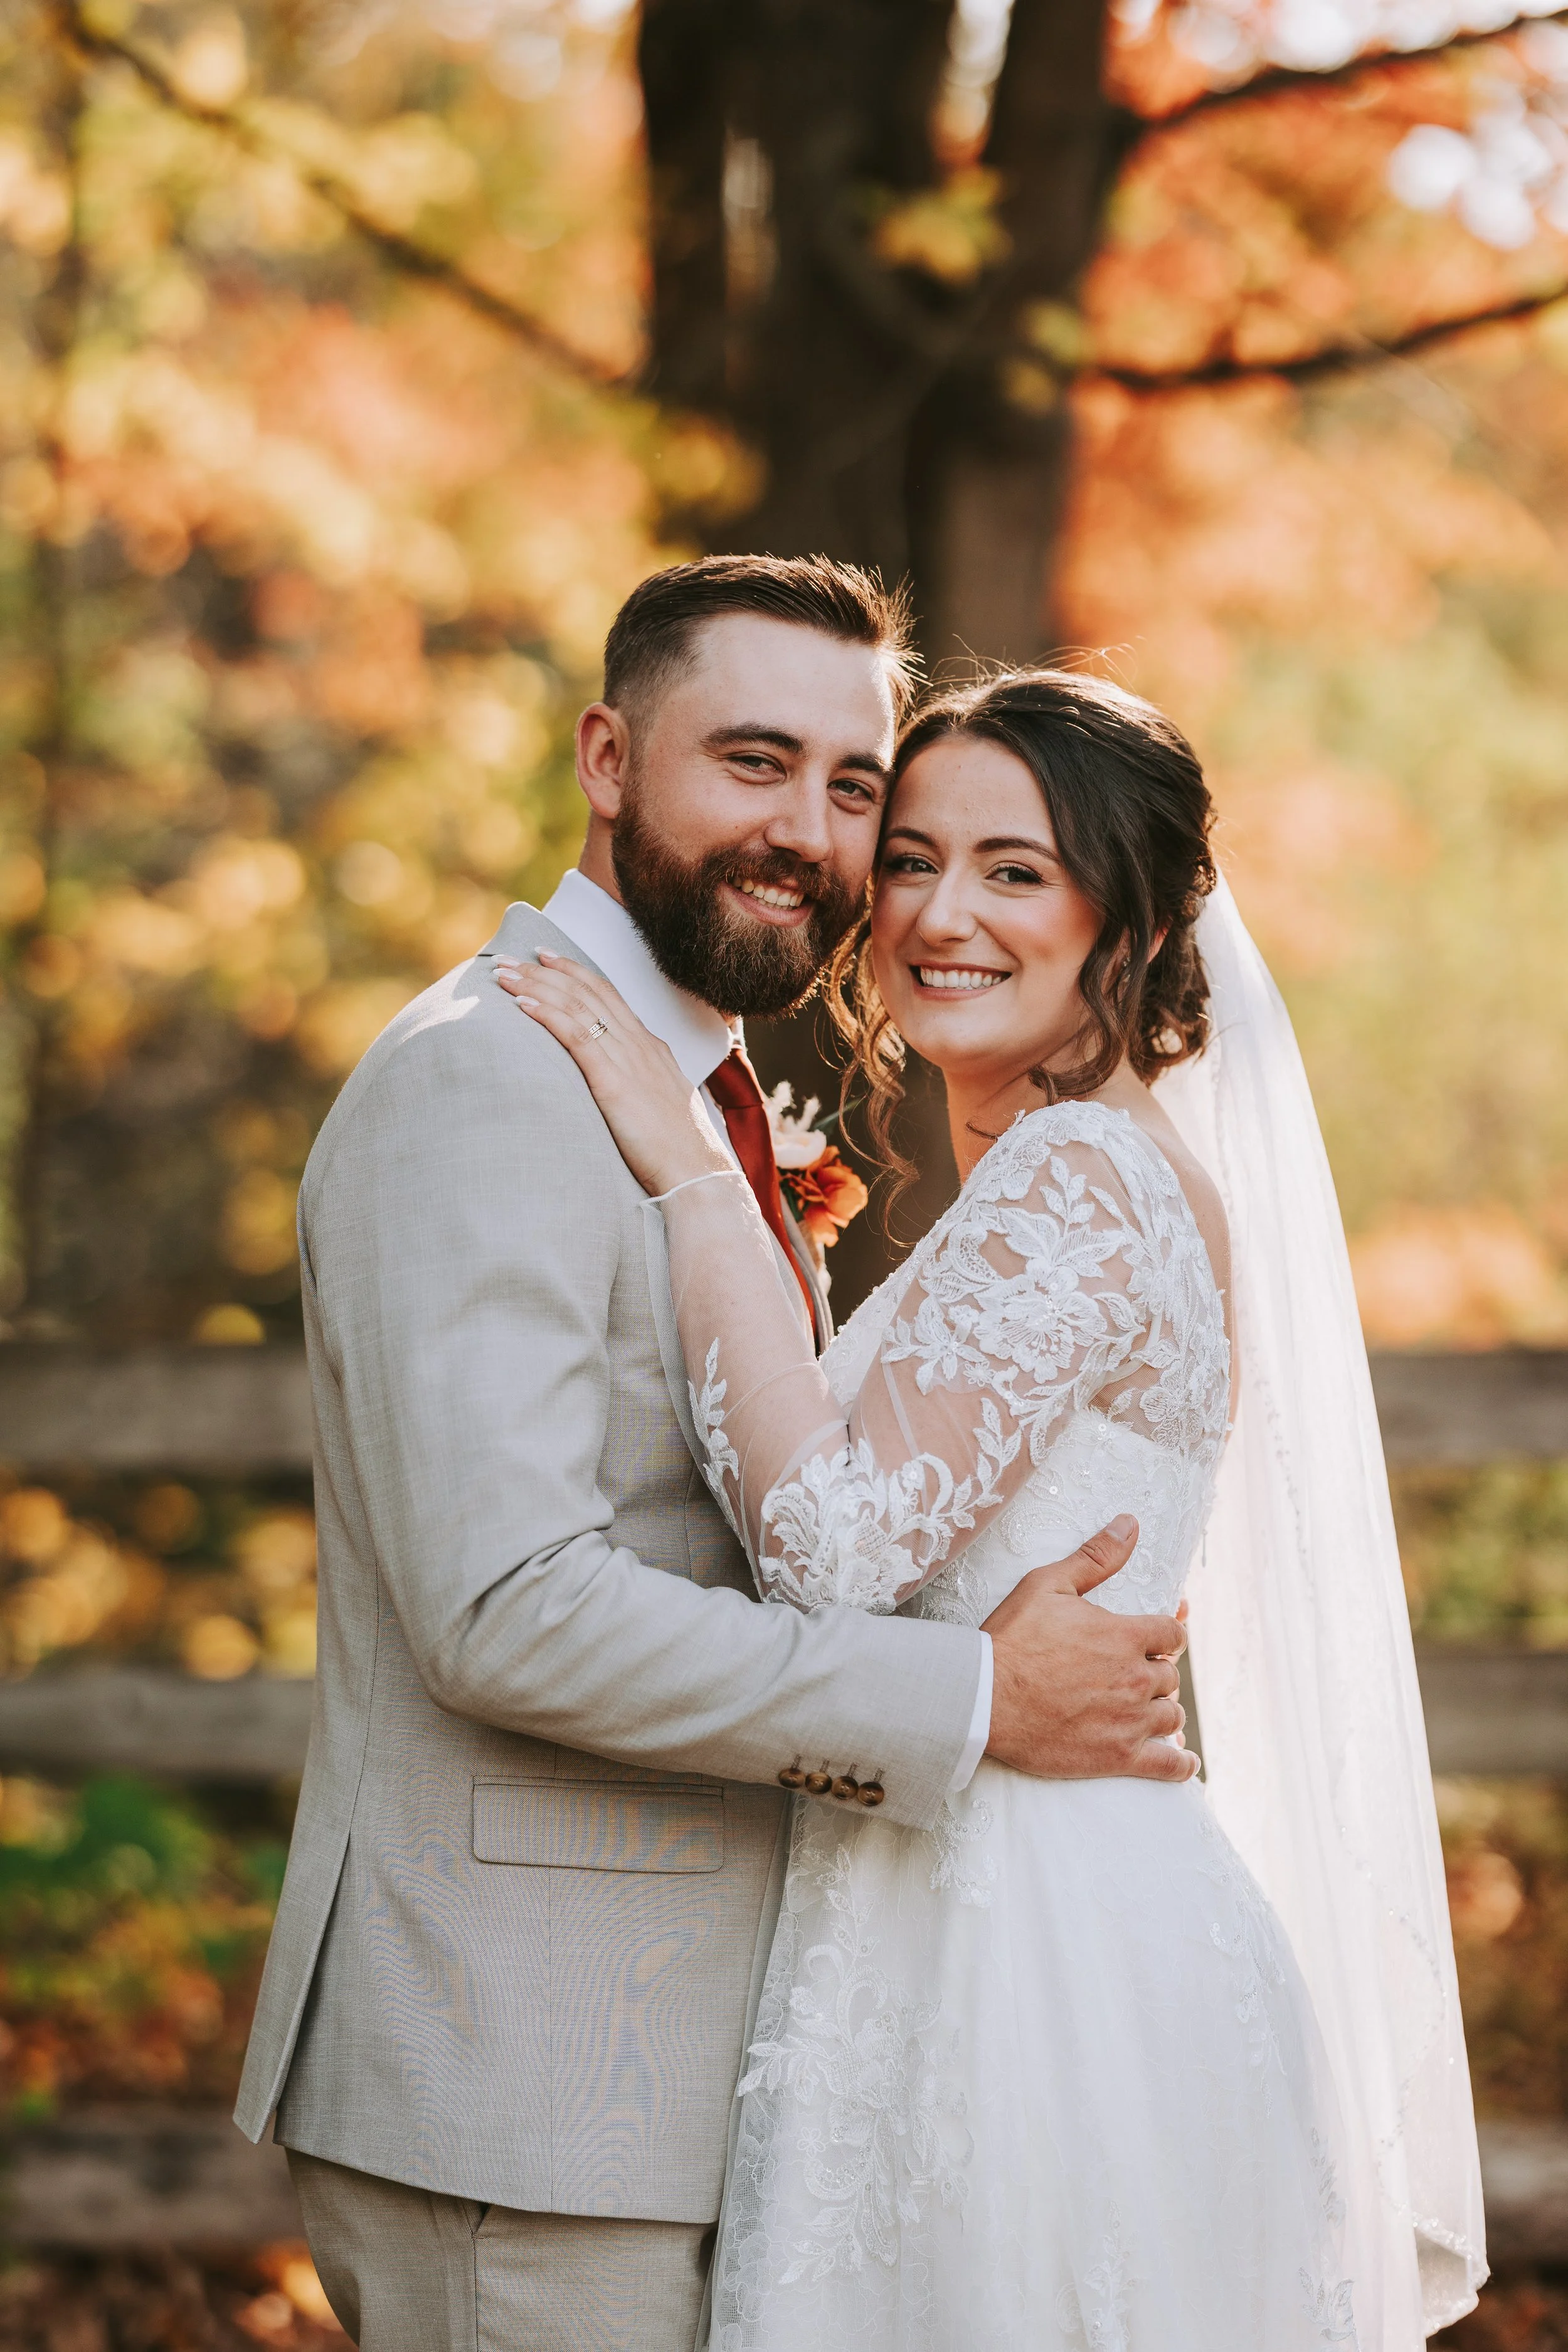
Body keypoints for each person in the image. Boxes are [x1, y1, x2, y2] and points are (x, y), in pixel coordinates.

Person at [233, 560, 1199, 2352]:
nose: (811, 835)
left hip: (719, 2069)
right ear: (607, 757)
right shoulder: (489, 1080)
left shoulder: (708, 1099)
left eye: (853, 787)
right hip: (526, 2091)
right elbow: (506, 1608)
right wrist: (971, 1698)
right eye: (751, 760)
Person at [501, 665, 1488, 2349]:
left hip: (1026, 1959)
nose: (938, 911)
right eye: (909, 858)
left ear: (1133, 921)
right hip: (961, 1906)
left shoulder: (1078, 1173)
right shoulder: (1068, 1172)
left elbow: (828, 1543)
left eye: (1014, 870)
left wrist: (686, 1175)